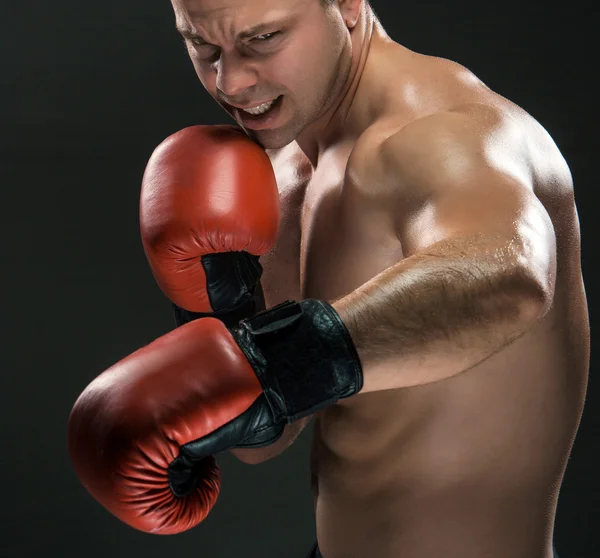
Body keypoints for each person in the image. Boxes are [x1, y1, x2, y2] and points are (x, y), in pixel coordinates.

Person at [68, 1, 589, 557]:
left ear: (345, 5)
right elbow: (263, 440)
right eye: (203, 47)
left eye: (263, 38)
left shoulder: (442, 135)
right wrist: (220, 317)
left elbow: (508, 276)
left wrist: (283, 358)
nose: (232, 81)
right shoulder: (291, 167)